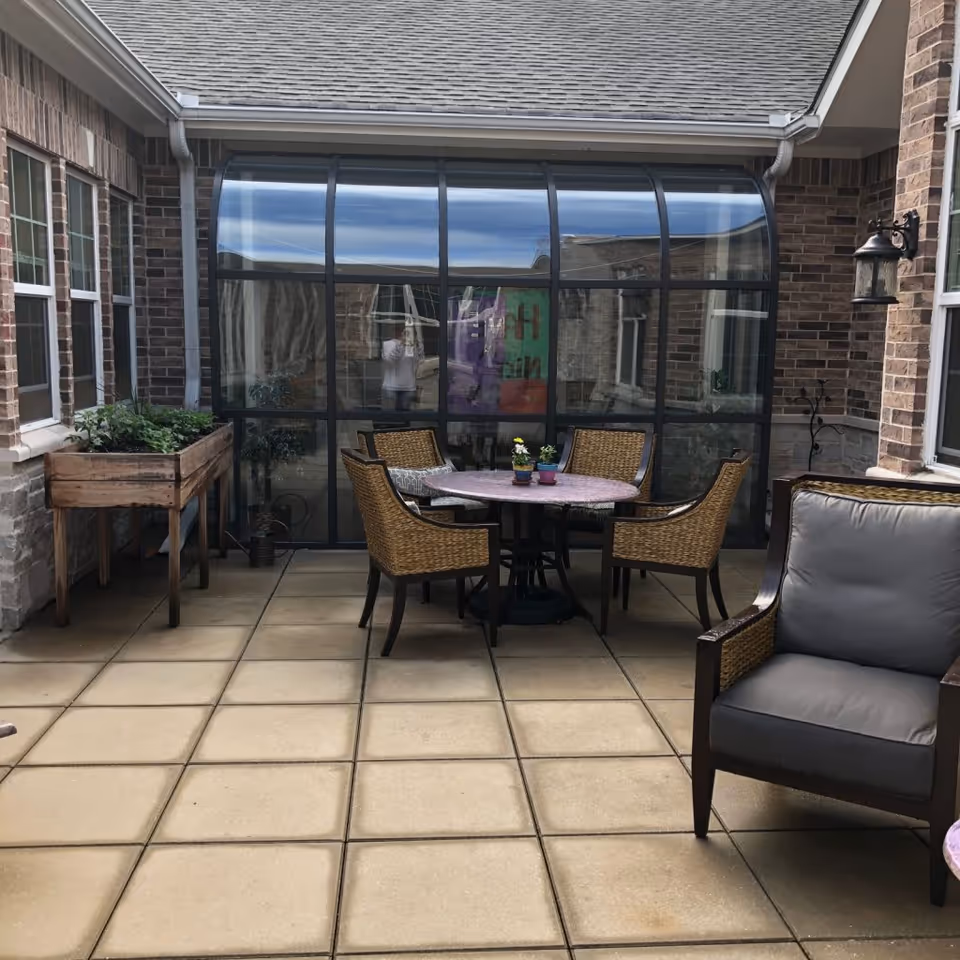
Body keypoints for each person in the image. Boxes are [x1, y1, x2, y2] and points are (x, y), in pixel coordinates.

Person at [381, 320, 422, 411]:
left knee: (405, 420)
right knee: (390, 420)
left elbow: (418, 361)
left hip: (408, 387)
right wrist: (401, 345)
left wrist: (417, 346)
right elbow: (390, 361)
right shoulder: (388, 344)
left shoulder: (412, 345)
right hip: (391, 387)